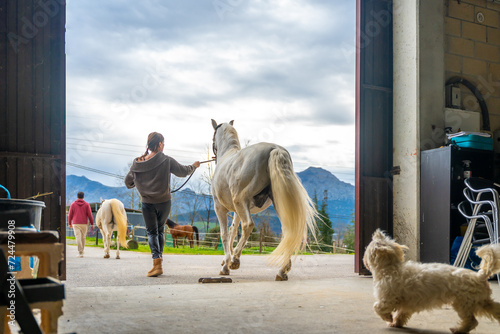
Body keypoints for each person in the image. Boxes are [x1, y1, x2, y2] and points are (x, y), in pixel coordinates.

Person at [125, 132, 200, 277]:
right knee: (159, 231)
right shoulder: (166, 160)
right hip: (164, 202)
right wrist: (194, 166)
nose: (164, 145)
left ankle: (156, 263)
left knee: (152, 232)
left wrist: (140, 178)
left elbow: (128, 183)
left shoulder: (137, 163)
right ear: (159, 144)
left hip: (147, 203)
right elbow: (183, 172)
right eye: (163, 143)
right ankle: (158, 263)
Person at [68, 192, 94, 258]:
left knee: (78, 237)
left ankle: (80, 252)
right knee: (83, 237)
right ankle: (82, 251)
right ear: (83, 197)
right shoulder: (87, 204)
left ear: (77, 197)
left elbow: (70, 215)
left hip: (76, 223)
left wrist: (69, 223)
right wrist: (92, 224)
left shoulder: (73, 204)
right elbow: (90, 215)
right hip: (84, 223)